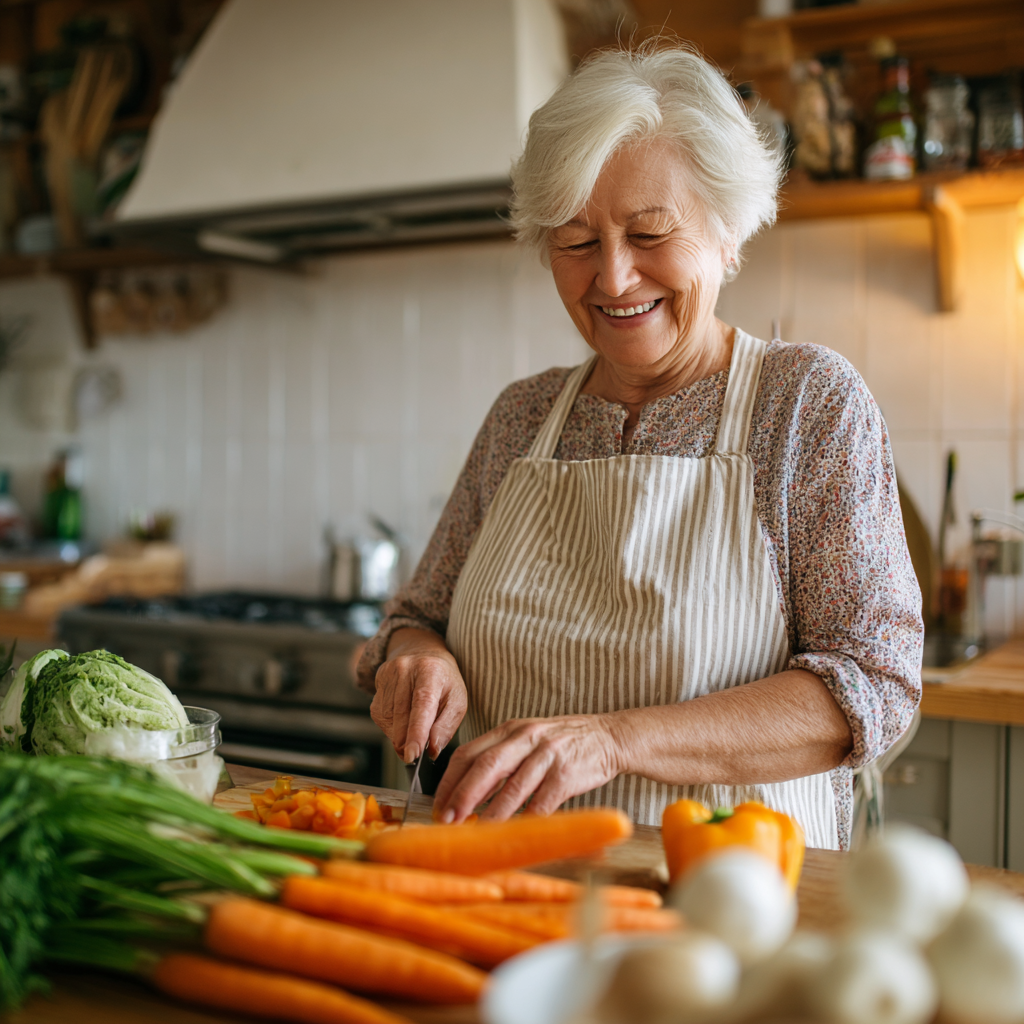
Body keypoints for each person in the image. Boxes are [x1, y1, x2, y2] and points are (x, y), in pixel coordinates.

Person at [357, 44, 922, 850]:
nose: (614, 279)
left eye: (650, 232)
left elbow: (872, 686)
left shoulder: (805, 405)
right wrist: (416, 656)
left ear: (729, 234)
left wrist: (614, 740)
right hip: (495, 890)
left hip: (726, 906)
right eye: (577, 242)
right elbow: (414, 618)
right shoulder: (522, 418)